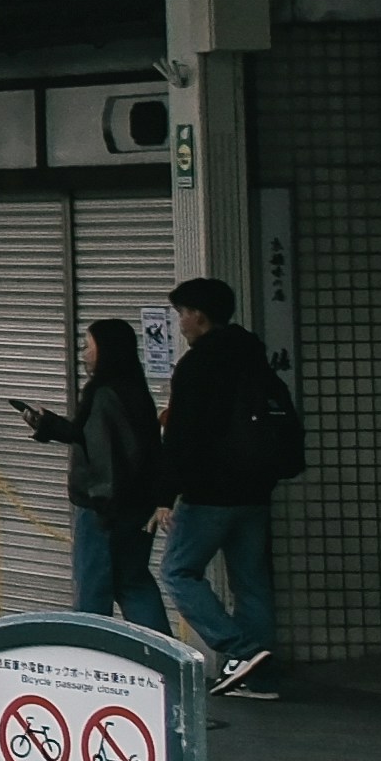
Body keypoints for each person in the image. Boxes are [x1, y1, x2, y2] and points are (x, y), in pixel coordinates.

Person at [152, 276, 295, 699]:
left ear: (198, 314)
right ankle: (260, 674)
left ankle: (239, 652)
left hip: (210, 490)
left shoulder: (198, 365)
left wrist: (164, 495)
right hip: (255, 489)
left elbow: (183, 437)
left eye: (182, 314)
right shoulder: (253, 356)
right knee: (250, 581)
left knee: (177, 571)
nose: (180, 323)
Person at [23, 317, 170, 622]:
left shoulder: (104, 394)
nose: (84, 354)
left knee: (93, 588)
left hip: (103, 508)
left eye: (89, 346)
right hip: (137, 504)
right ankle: (161, 656)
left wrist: (103, 506)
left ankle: (92, 655)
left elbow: (105, 454)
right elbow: (91, 436)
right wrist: (48, 424)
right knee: (132, 581)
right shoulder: (134, 389)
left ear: (108, 351)